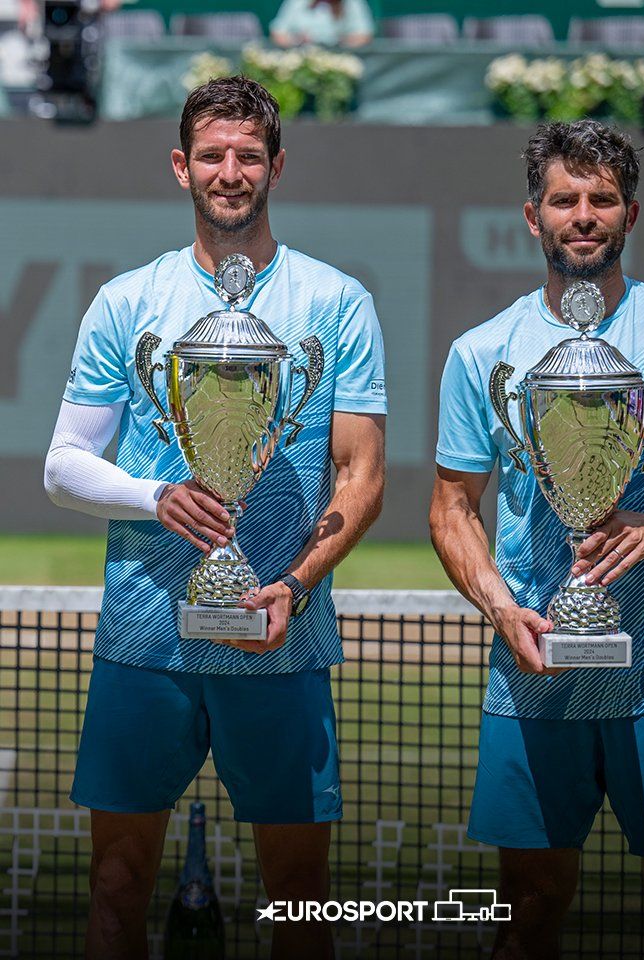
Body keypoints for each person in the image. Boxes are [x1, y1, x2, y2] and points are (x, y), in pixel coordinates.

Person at [44, 75, 386, 960]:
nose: (228, 172)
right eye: (210, 155)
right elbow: (65, 465)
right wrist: (154, 496)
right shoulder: (128, 301)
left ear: (275, 165)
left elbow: (361, 472)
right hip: (145, 640)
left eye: (246, 155)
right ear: (179, 167)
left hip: (279, 637)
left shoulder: (335, 301)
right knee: (116, 886)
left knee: (298, 899)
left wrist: (297, 587)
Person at [429, 119, 644, 960]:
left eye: (602, 200)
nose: (583, 214)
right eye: (564, 199)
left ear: (630, 214)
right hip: (536, 673)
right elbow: (450, 507)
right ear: (531, 216)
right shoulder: (482, 354)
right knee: (527, 911)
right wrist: (503, 612)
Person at [270, 0, 374, 49]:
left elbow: (365, 35)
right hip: (300, 64)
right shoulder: (296, 2)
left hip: (341, 65)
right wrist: (297, 41)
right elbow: (278, 33)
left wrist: (340, 43)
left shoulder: (353, 3)